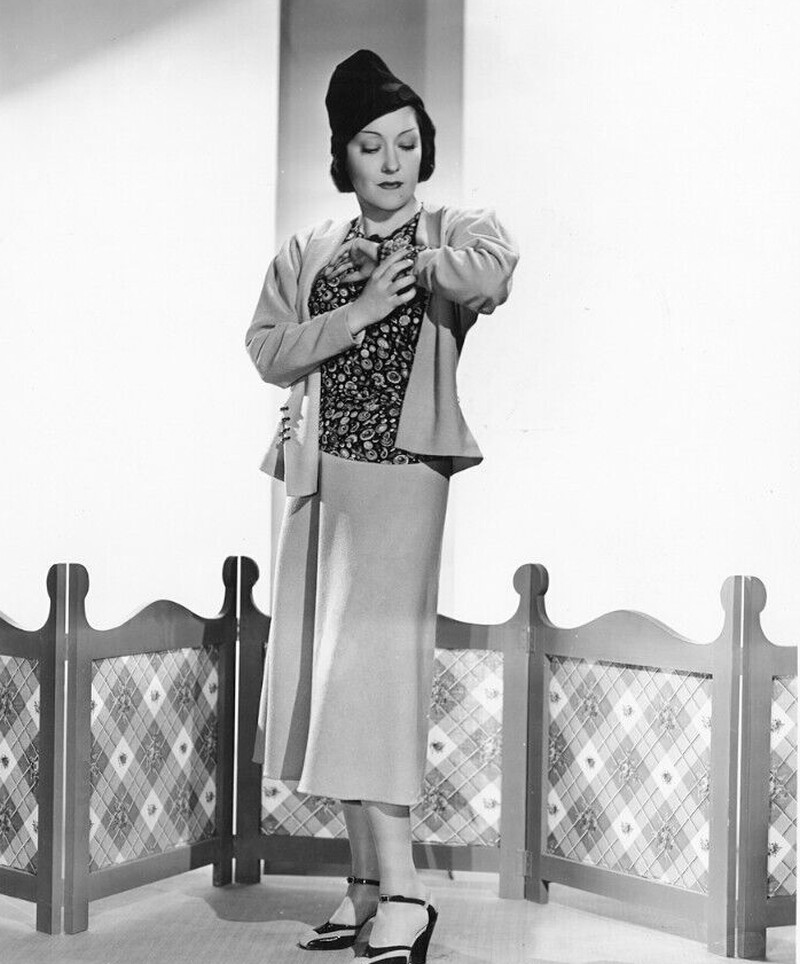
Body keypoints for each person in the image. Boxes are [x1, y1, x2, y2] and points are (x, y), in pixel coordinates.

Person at [245, 49, 518, 964]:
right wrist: (358, 311)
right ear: (343, 156)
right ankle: (364, 887)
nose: (393, 161)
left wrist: (412, 261)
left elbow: (491, 274)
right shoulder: (310, 249)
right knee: (329, 680)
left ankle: (405, 894)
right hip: (318, 476)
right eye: (371, 145)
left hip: (402, 477)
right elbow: (268, 350)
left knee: (374, 677)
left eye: (407, 142)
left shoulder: (451, 229)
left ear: (424, 148)